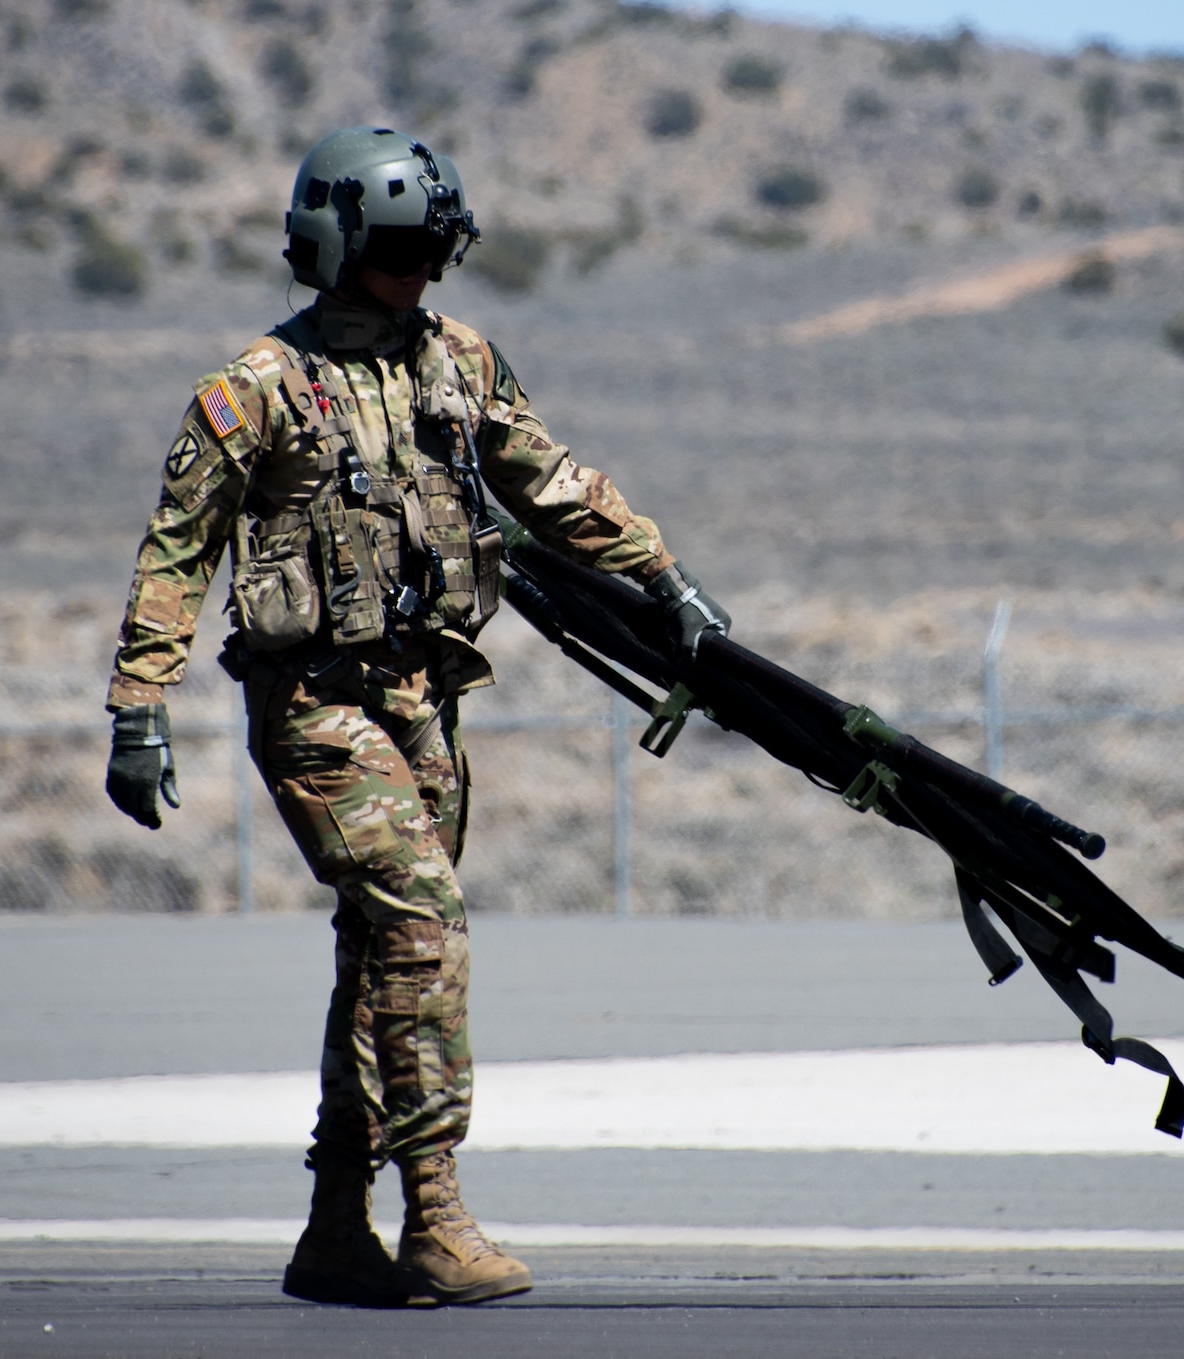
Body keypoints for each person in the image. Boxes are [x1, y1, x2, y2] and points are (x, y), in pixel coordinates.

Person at [100, 127, 729, 1308]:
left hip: (425, 704)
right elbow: (174, 556)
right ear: (334, 243)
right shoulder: (253, 392)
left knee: (382, 956)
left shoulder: (459, 363)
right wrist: (140, 706)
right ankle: (436, 1217)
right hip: (313, 708)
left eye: (436, 249)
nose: (419, 272)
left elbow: (549, 480)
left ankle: (337, 1227)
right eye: (396, 248)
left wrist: (663, 578)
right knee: (422, 921)